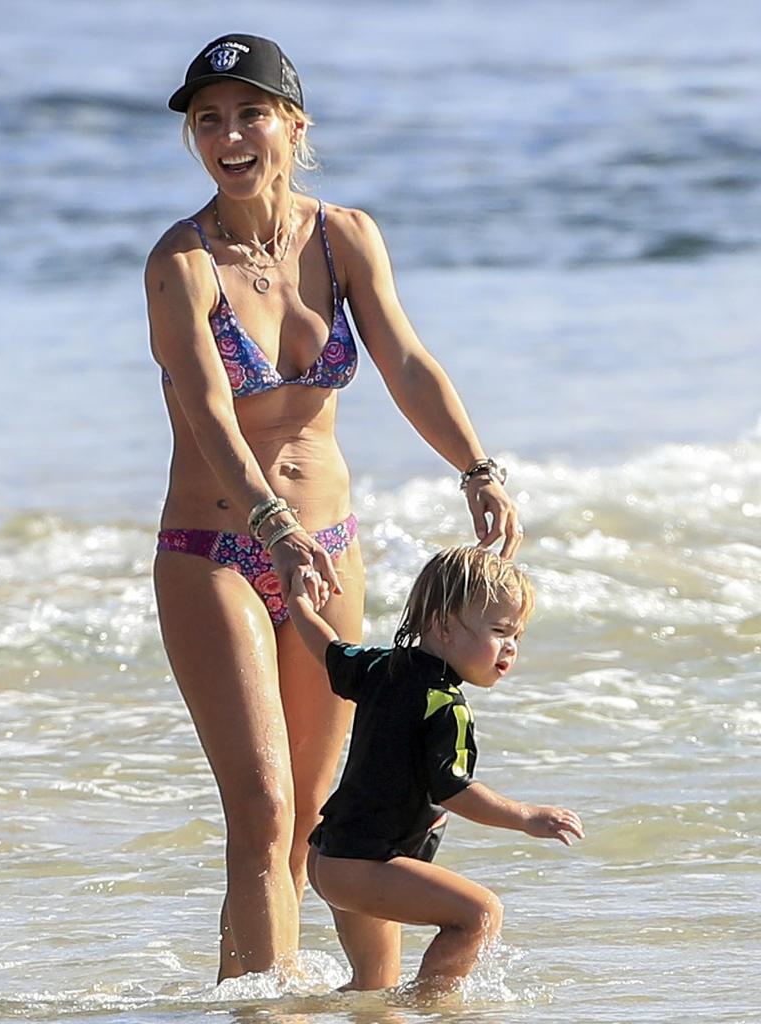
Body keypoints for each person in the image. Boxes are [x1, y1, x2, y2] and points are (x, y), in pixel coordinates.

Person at [145, 32, 523, 982]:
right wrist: (270, 522)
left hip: (328, 549)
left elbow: (404, 360)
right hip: (218, 550)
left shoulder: (343, 236)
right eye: (208, 121)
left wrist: (476, 467)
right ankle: (260, 1006)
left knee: (336, 818)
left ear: (294, 125)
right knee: (264, 809)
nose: (229, 136)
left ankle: (380, 1000)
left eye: (249, 114)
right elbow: (205, 411)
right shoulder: (180, 264)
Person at [287, 546, 584, 994]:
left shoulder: (382, 666)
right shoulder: (445, 706)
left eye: (517, 636)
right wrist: (527, 818)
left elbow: (329, 651)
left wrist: (300, 605)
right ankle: (433, 1011)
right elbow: (454, 791)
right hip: (364, 864)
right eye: (500, 630)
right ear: (443, 625)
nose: (510, 646)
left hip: (330, 855)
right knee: (478, 914)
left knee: (373, 993)